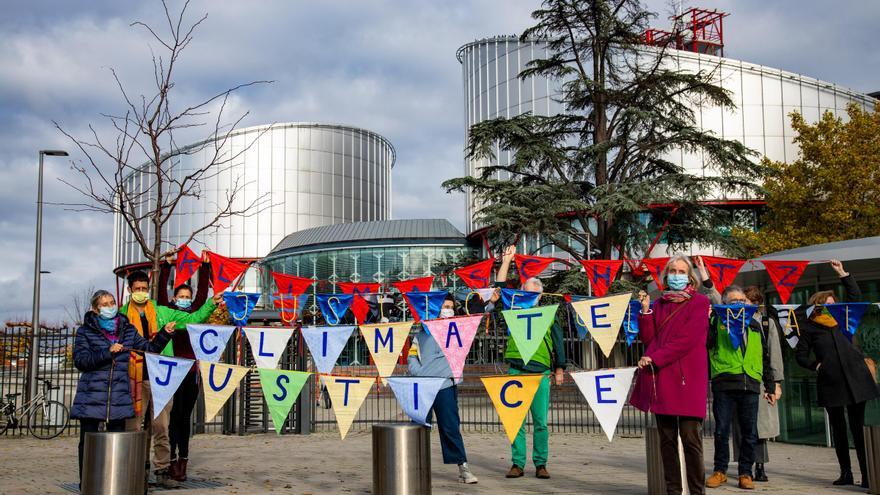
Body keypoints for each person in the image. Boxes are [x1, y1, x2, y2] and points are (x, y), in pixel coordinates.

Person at [120, 270, 220, 488]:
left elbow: (193, 318)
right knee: (135, 427)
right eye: (137, 289)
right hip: (134, 377)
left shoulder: (161, 311)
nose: (141, 293)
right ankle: (135, 472)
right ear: (129, 291)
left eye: (144, 289)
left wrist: (211, 303)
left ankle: (163, 471)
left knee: (162, 426)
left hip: (161, 376)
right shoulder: (121, 315)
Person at [71, 290, 174, 486]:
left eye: (112, 303)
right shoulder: (86, 331)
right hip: (92, 396)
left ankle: (113, 482)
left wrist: (164, 334)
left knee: (116, 442)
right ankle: (87, 482)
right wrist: (107, 352)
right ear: (95, 309)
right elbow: (81, 361)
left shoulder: (127, 329)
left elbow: (148, 349)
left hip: (118, 396)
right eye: (104, 304)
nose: (110, 307)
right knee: (88, 442)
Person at [630, 255, 710, 495]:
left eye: (681, 271)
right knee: (666, 442)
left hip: (688, 379)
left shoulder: (700, 302)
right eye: (673, 271)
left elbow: (688, 340)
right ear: (666, 276)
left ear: (690, 276)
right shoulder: (659, 303)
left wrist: (656, 357)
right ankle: (673, 491)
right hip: (662, 378)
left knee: (691, 441)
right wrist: (645, 313)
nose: (677, 275)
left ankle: (697, 491)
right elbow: (650, 338)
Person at [795, 259, 878, 488]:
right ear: (818, 306)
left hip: (855, 379)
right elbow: (800, 355)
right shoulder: (810, 326)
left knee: (858, 430)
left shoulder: (844, 319)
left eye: (834, 303)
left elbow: (855, 297)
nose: (832, 306)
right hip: (831, 382)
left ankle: (868, 475)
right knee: (840, 431)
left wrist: (843, 273)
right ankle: (846, 473)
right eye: (828, 304)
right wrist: (816, 366)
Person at [495, 245, 566, 480]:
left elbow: (558, 342)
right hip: (516, 370)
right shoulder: (512, 310)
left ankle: (541, 463)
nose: (529, 296)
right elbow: (501, 288)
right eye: (525, 292)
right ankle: (517, 463)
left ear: (541, 296)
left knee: (540, 423)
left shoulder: (550, 314)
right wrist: (506, 261)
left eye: (533, 293)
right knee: (515, 421)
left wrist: (559, 369)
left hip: (541, 373)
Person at [705, 285, 774, 490]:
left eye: (742, 301)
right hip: (725, 381)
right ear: (724, 304)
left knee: (749, 432)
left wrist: (770, 384)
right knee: (721, 430)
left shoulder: (754, 323)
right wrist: (707, 321)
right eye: (733, 301)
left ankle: (746, 472)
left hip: (751, 382)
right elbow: (706, 344)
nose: (739, 304)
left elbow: (764, 354)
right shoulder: (716, 321)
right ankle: (720, 471)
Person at [407, 294, 478, 484]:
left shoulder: (459, 330)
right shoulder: (423, 331)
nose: (448, 309)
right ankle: (413, 468)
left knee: (450, 428)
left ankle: (463, 467)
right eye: (445, 306)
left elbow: (479, 316)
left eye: (451, 307)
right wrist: (418, 372)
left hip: (446, 385)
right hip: (422, 386)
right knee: (419, 428)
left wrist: (492, 301)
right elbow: (412, 355)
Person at [729, 286, 784, 483]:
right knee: (740, 425)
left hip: (760, 379)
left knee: (758, 426)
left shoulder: (766, 322)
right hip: (737, 378)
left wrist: (776, 383)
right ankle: (745, 466)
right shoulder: (732, 320)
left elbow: (774, 354)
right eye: (745, 301)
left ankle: (759, 464)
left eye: (751, 302)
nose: (747, 305)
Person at [166, 284, 199, 482]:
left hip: (192, 373)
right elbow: (161, 292)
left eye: (188, 296)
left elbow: (203, 293)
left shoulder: (196, 316)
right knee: (173, 417)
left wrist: (205, 267)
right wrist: (167, 266)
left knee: (185, 418)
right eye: (181, 296)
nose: (185, 299)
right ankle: (170, 459)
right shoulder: (169, 315)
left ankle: (183, 459)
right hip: (173, 371)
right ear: (174, 298)